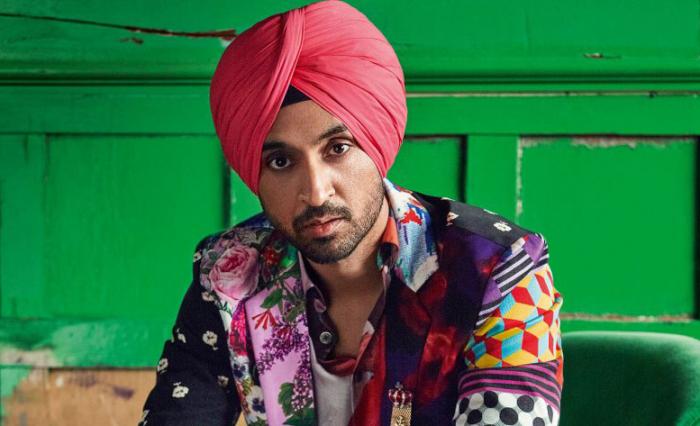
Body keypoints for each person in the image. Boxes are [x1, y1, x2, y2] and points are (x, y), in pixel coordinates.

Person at [139, 1, 564, 425]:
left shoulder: (498, 270)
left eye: (337, 148)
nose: (316, 192)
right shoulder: (229, 271)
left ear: (376, 144)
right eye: (281, 162)